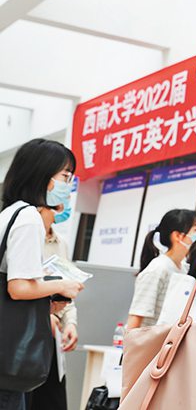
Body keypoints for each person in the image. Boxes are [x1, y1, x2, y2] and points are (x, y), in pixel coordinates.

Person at [0, 139, 84, 410]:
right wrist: (62, 285)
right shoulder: (28, 218)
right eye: (65, 177)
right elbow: (18, 287)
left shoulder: (11, 213)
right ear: (44, 176)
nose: (68, 185)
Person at [27, 205, 79, 410]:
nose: (62, 207)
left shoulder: (61, 243)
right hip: (27, 335)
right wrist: (43, 315)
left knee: (51, 400)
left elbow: (66, 286)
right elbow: (17, 288)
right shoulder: (25, 235)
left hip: (52, 339)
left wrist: (70, 323)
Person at [126, 209, 196, 329]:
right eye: (195, 231)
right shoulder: (158, 269)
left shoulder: (184, 269)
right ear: (178, 236)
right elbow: (136, 317)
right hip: (151, 339)